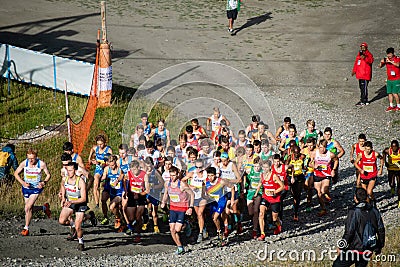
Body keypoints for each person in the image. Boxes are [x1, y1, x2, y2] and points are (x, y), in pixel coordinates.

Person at [332, 188, 385, 267]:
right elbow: (381, 230)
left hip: (355, 248)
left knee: (337, 265)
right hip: (368, 248)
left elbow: (349, 232)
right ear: (366, 197)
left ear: (355, 198)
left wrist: (341, 246)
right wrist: (379, 246)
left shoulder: (354, 211)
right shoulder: (374, 210)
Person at [14, 148, 51, 236]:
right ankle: (44, 208)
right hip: (26, 187)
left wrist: (43, 182)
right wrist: (23, 182)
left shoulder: (41, 164)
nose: (31, 160)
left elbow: (48, 175)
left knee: (27, 207)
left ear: (36, 157)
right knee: (29, 209)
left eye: (33, 158)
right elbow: (16, 174)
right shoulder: (24, 163)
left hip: (36, 188)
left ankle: (26, 228)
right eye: (29, 158)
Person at [160, 166, 194, 255]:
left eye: (174, 175)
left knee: (178, 229)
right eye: (170, 175)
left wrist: (190, 207)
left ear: (177, 174)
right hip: (173, 209)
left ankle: (186, 225)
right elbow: (166, 193)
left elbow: (192, 194)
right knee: (172, 230)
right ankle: (179, 247)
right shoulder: (167, 183)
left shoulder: (182, 184)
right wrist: (163, 202)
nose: (172, 177)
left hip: (182, 208)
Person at [58, 162, 88, 251]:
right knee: (61, 221)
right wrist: (63, 197)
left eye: (70, 170)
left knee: (78, 226)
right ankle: (74, 224)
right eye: (67, 170)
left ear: (75, 171)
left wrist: (72, 201)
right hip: (70, 202)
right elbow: (62, 186)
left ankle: (80, 242)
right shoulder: (65, 179)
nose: (68, 172)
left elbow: (84, 198)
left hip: (79, 203)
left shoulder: (80, 181)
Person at [254, 160, 284, 240]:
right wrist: (256, 193)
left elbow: (282, 186)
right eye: (263, 167)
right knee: (261, 214)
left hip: (275, 198)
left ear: (270, 167)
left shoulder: (274, 176)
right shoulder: (262, 175)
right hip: (265, 197)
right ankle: (262, 233)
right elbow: (260, 183)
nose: (264, 169)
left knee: (274, 218)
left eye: (266, 167)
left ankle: (278, 223)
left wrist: (275, 192)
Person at [310, 140, 338, 217]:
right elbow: (309, 163)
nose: (322, 149)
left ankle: (326, 195)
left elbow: (336, 160)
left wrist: (333, 169)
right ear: (318, 147)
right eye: (320, 147)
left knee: (323, 190)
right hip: (317, 174)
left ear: (326, 147)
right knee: (318, 193)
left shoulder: (330, 154)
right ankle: (323, 208)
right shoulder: (315, 153)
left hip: (326, 174)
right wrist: (313, 166)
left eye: (324, 147)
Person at [124, 160, 150, 242]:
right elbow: (124, 180)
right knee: (131, 217)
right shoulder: (128, 173)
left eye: (134, 169)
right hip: (131, 196)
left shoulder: (144, 175)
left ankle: (138, 235)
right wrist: (126, 191)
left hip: (141, 196)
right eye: (131, 170)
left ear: (138, 168)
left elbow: (147, 190)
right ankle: (132, 225)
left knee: (138, 217)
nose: (133, 172)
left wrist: (139, 194)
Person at [88, 134, 113, 208]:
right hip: (98, 169)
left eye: (101, 144)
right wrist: (90, 158)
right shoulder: (96, 148)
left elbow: (111, 161)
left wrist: (102, 163)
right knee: (95, 184)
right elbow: (92, 148)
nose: (100, 146)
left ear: (105, 143)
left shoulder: (108, 150)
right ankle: (97, 204)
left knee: (109, 187)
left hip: (106, 169)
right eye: (98, 144)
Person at [100, 155, 124, 228]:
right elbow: (104, 176)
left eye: (113, 165)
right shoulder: (107, 169)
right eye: (110, 165)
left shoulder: (120, 169)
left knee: (113, 206)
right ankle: (114, 217)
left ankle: (119, 219)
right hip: (111, 190)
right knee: (112, 205)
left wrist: (117, 180)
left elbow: (121, 176)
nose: (112, 167)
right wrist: (102, 179)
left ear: (115, 163)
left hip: (119, 191)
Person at [379, 47, 400, 112]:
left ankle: (398, 106)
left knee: (395, 93)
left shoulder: (397, 58)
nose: (389, 56)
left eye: (390, 54)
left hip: (396, 78)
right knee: (389, 92)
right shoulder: (386, 59)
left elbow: (398, 65)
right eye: (388, 54)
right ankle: (391, 105)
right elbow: (380, 66)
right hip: (389, 79)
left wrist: (390, 61)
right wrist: (381, 62)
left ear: (393, 53)